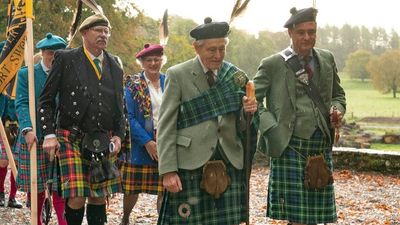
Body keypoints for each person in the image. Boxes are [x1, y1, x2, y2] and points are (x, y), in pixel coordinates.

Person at [156, 17, 257, 225]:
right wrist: (167, 170)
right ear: (197, 48)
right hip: (190, 163)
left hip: (229, 160)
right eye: (212, 50)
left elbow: (242, 126)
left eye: (222, 49)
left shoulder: (235, 76)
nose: (218, 55)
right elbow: (166, 126)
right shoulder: (178, 74)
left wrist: (248, 113)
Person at [253, 7, 346, 225]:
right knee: (297, 218)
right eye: (301, 32)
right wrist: (270, 127)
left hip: (320, 142)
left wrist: (337, 109)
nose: (307, 37)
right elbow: (250, 102)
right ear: (290, 33)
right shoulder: (272, 64)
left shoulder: (326, 58)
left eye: (311, 32)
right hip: (289, 144)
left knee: (316, 216)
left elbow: (338, 95)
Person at [38, 14, 125, 225]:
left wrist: (119, 136)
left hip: (102, 138)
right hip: (71, 135)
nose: (103, 35)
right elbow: (46, 99)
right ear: (84, 33)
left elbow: (119, 107)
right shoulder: (66, 58)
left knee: (97, 196)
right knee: (76, 196)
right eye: (98, 30)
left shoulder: (114, 64)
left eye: (106, 31)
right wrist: (49, 134)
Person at [15, 33, 67, 225]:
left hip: (60, 135)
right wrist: (27, 129)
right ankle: (36, 220)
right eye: (51, 53)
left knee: (60, 185)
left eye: (59, 53)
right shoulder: (26, 74)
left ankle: (63, 222)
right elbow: (20, 103)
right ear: (43, 52)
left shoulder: (67, 73)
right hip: (34, 135)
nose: (54, 57)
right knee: (36, 185)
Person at [120, 44, 166, 225]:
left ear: (162, 60)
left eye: (157, 59)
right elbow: (128, 116)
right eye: (149, 60)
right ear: (142, 62)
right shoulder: (133, 84)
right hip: (139, 142)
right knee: (132, 188)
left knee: (165, 186)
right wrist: (147, 142)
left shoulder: (169, 81)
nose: (153, 63)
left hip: (165, 138)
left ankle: (162, 221)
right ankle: (125, 218)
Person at [0, 40, 22, 209]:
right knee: (2, 162)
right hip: (2, 124)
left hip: (19, 125)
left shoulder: (21, 76)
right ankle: (0, 193)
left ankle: (13, 197)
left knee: (17, 162)